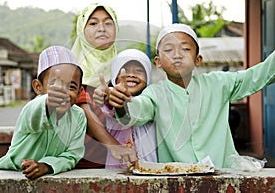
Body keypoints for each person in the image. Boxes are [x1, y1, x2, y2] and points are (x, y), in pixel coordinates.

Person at [108, 23, 275, 168]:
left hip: (223, 175)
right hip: (176, 179)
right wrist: (122, 105)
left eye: (185, 49)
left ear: (198, 59)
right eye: (168, 50)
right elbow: (137, 110)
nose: (177, 54)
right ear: (158, 62)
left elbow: (258, 75)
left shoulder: (219, 83)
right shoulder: (155, 94)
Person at [0, 46, 87, 180]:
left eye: (71, 86)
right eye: (54, 85)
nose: (62, 91)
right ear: (38, 87)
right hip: (9, 174)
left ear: (79, 92)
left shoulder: (79, 116)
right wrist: (49, 102)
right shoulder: (32, 108)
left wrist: (46, 166)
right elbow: (35, 115)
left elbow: (72, 155)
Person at [71, 3, 136, 168]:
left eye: (108, 23)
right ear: (82, 30)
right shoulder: (72, 67)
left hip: (117, 161)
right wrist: (112, 144)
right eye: (93, 23)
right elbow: (83, 109)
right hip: (79, 159)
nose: (101, 28)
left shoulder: (123, 67)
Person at [93, 49, 157, 169]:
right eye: (124, 70)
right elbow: (112, 104)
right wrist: (108, 99)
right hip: (118, 171)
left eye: (139, 71)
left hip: (149, 169)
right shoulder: (113, 97)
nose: (131, 75)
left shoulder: (151, 100)